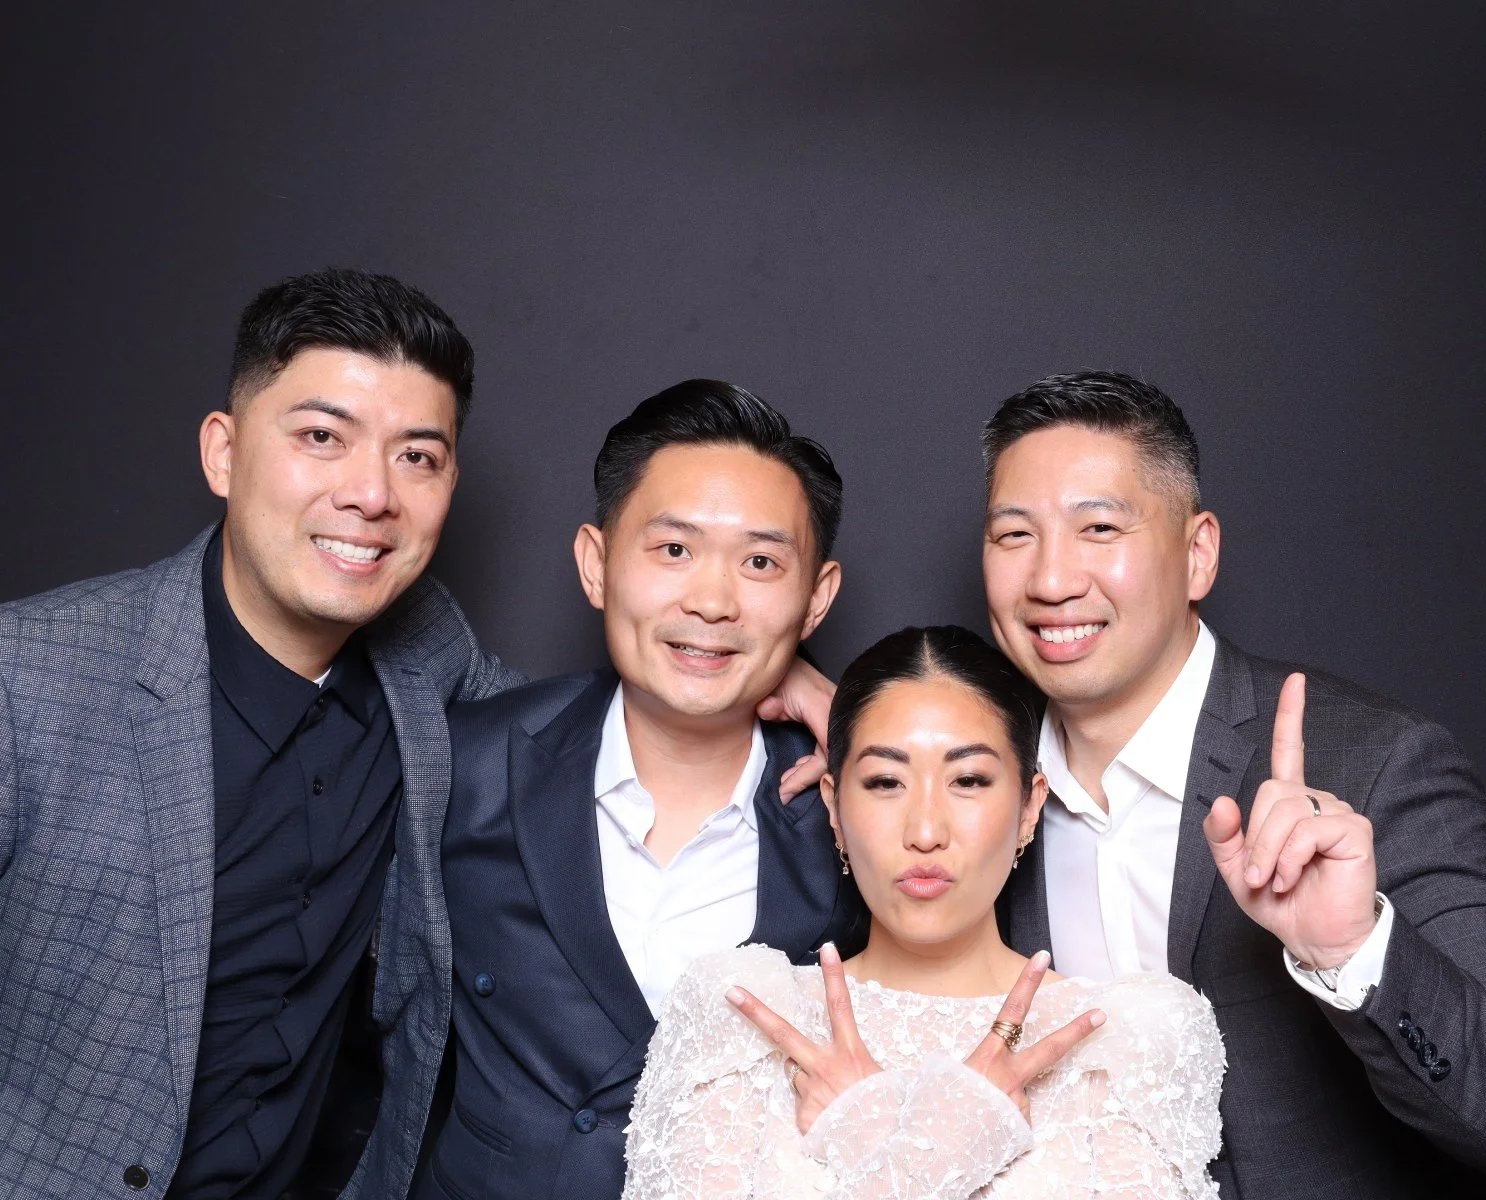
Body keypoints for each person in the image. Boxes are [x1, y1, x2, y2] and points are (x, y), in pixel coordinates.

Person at [981, 372, 1486, 1197]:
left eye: (1099, 527)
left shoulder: (1375, 762)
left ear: (1197, 552)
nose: (1052, 580)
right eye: (1013, 537)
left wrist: (1357, 953)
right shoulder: (972, 786)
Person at [0, 268, 523, 1200]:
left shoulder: (427, 648)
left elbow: (577, 729)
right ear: (224, 453)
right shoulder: (26, 680)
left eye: (418, 457)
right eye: (322, 437)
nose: (371, 495)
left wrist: (778, 686)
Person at [418, 381, 864, 1200]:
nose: (712, 601)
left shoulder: (861, 817)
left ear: (816, 598)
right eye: (673, 550)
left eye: (761, 562)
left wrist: (876, 735)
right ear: (596, 564)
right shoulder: (467, 762)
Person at [623, 625, 1227, 1199]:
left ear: (1028, 807)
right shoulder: (742, 1017)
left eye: (968, 780)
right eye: (886, 782)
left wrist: (875, 1132)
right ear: (834, 804)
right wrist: (934, 1147)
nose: (926, 831)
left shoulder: (1125, 1042)